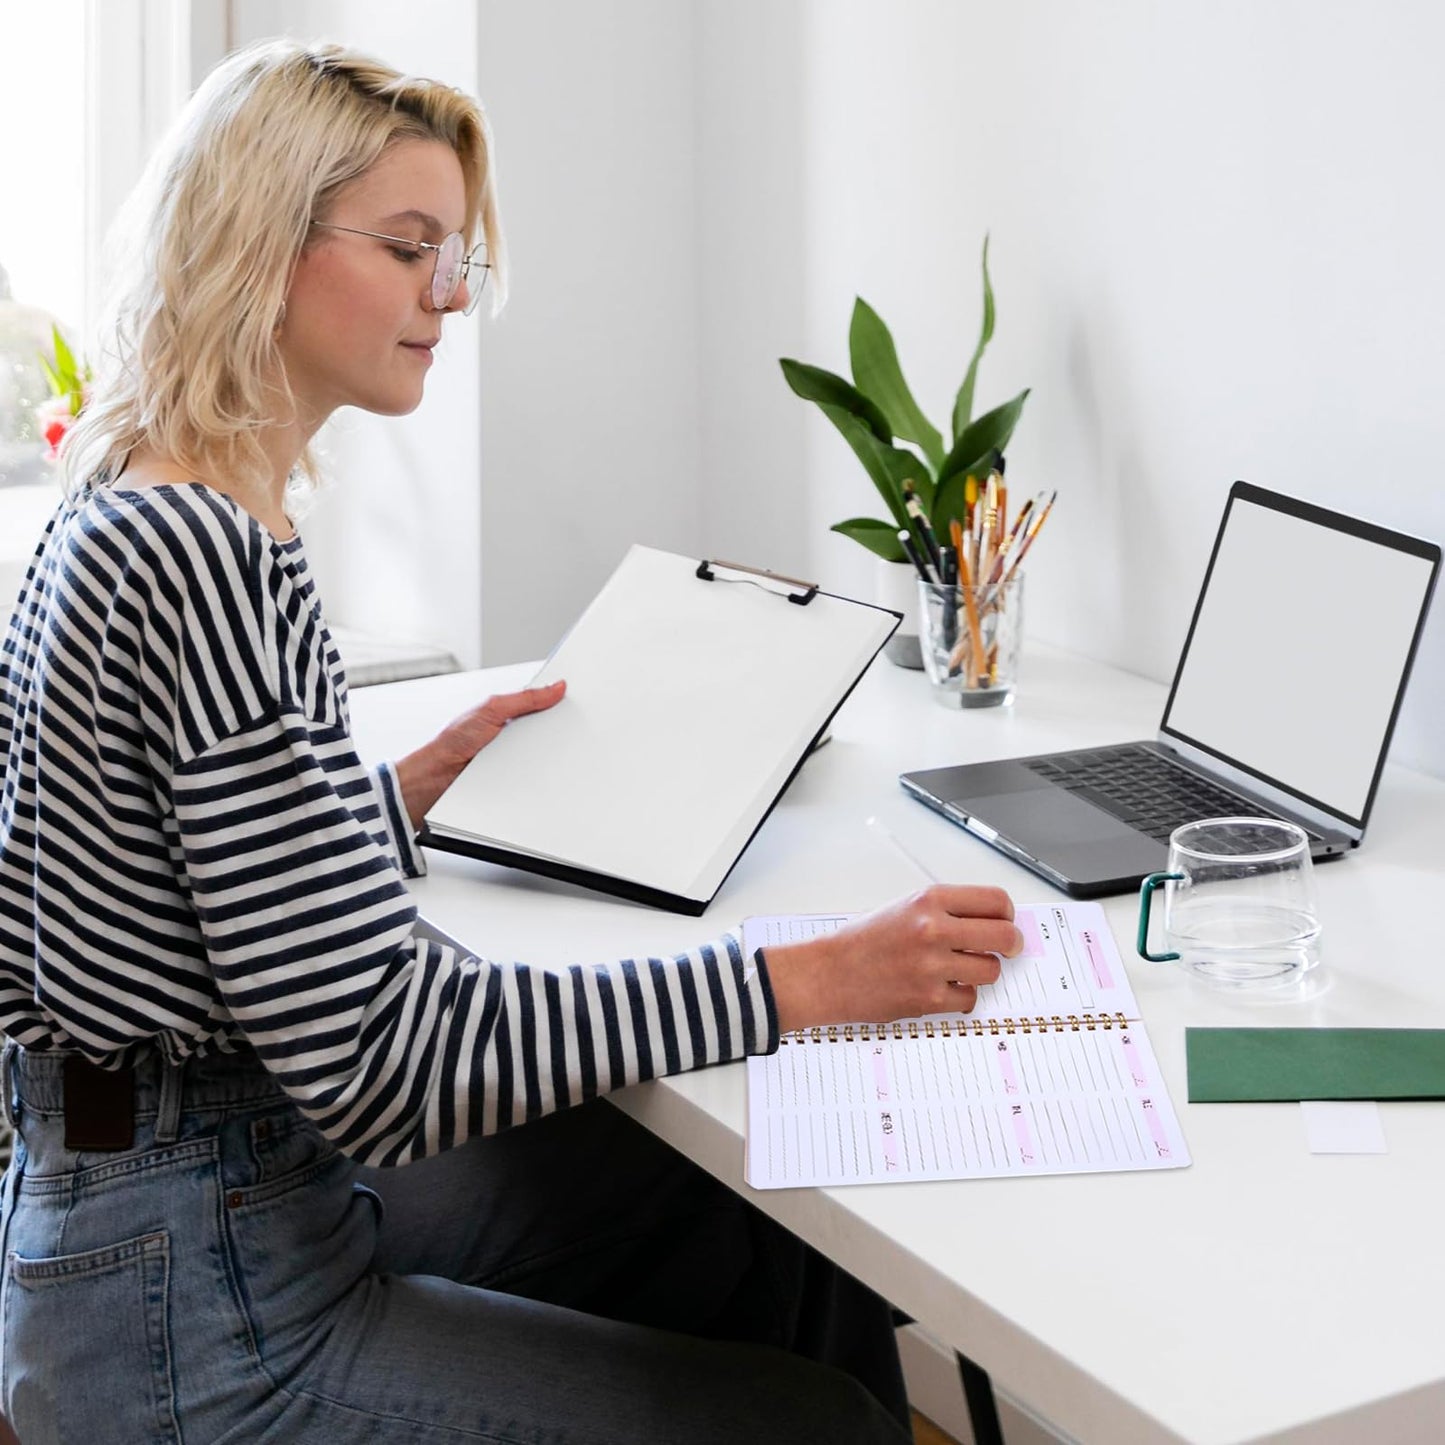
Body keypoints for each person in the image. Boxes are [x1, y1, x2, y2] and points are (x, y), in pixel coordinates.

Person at [0, 39, 1022, 1444]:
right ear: (261, 241)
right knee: (826, 1424)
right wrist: (813, 974)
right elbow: (387, 1061)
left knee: (735, 1210)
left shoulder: (135, 494)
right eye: (412, 246)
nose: (451, 294)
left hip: (167, 1201)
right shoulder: (204, 550)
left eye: (457, 253)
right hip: (200, 1306)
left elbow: (149, 896)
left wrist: (385, 803)